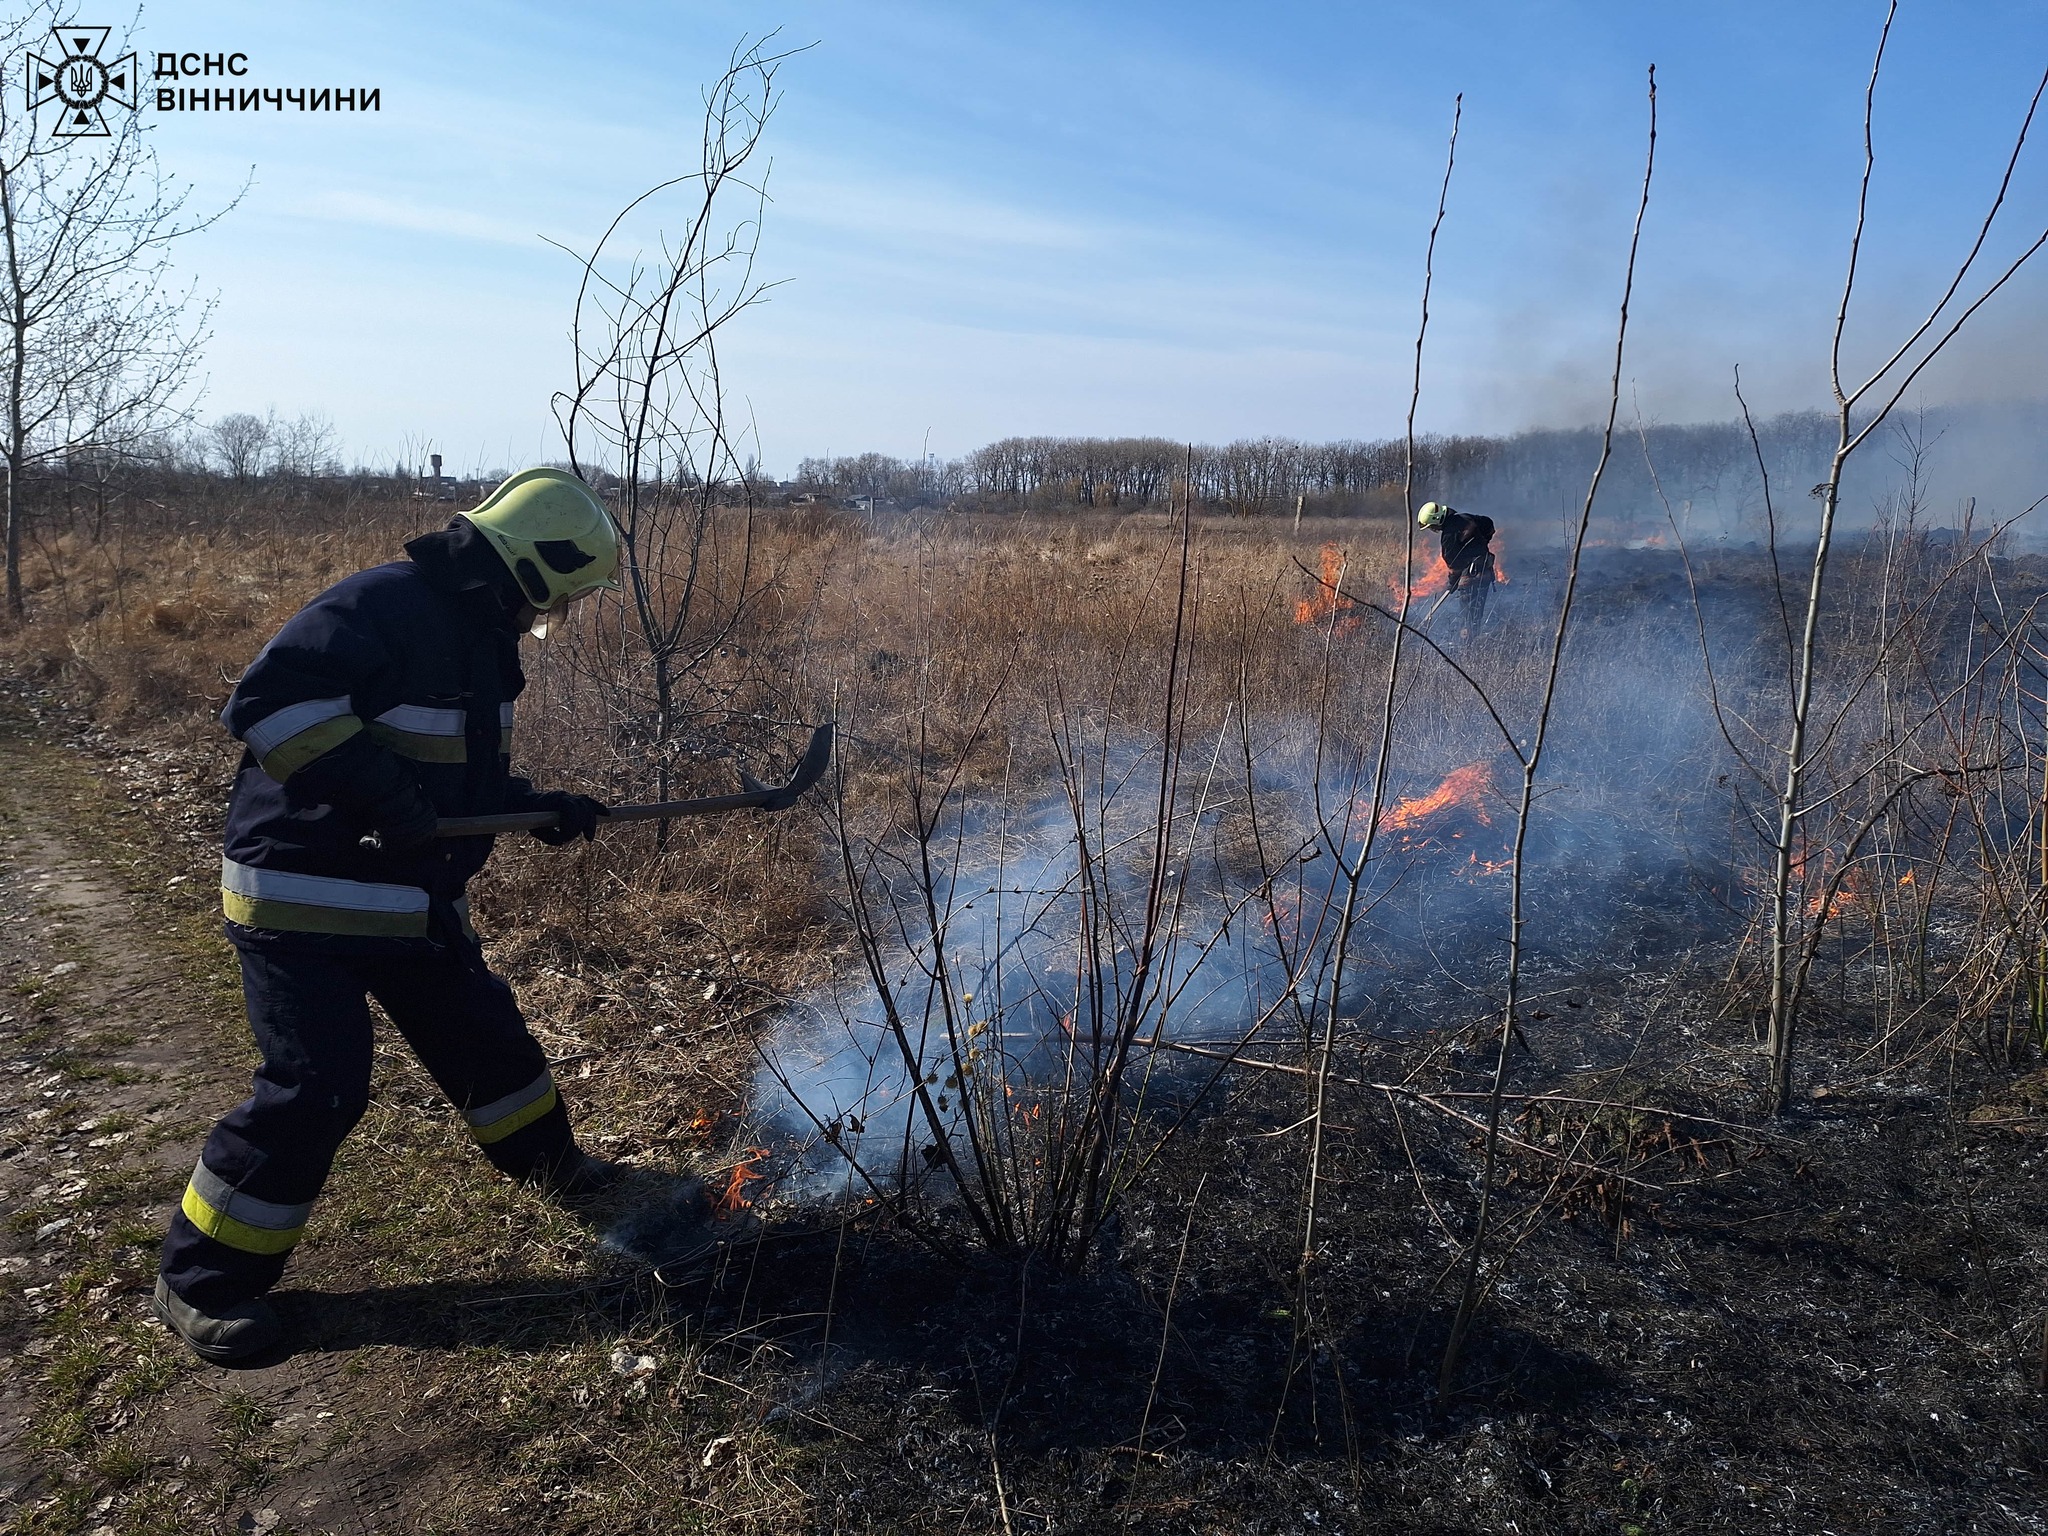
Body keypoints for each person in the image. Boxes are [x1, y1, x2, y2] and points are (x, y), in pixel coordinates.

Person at [154, 467, 635, 1364]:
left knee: (484, 1038)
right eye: (564, 592)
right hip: (304, 896)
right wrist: (381, 796)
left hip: (407, 895)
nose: (559, 613)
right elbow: (271, 703)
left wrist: (540, 807)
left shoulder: (481, 632)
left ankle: (551, 1166)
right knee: (318, 1088)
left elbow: (455, 779)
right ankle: (201, 1282)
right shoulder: (385, 604)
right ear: (534, 566)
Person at [1417, 501, 1496, 629]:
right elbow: (1488, 524)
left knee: (1468, 618)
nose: (1433, 530)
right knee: (1476, 613)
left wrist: (1452, 582)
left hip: (1471, 577)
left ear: (1437, 520)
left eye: (1432, 526)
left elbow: (1454, 565)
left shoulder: (1448, 536)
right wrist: (1481, 544)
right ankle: (1475, 638)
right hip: (1485, 572)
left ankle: (1468, 644)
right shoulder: (1466, 518)